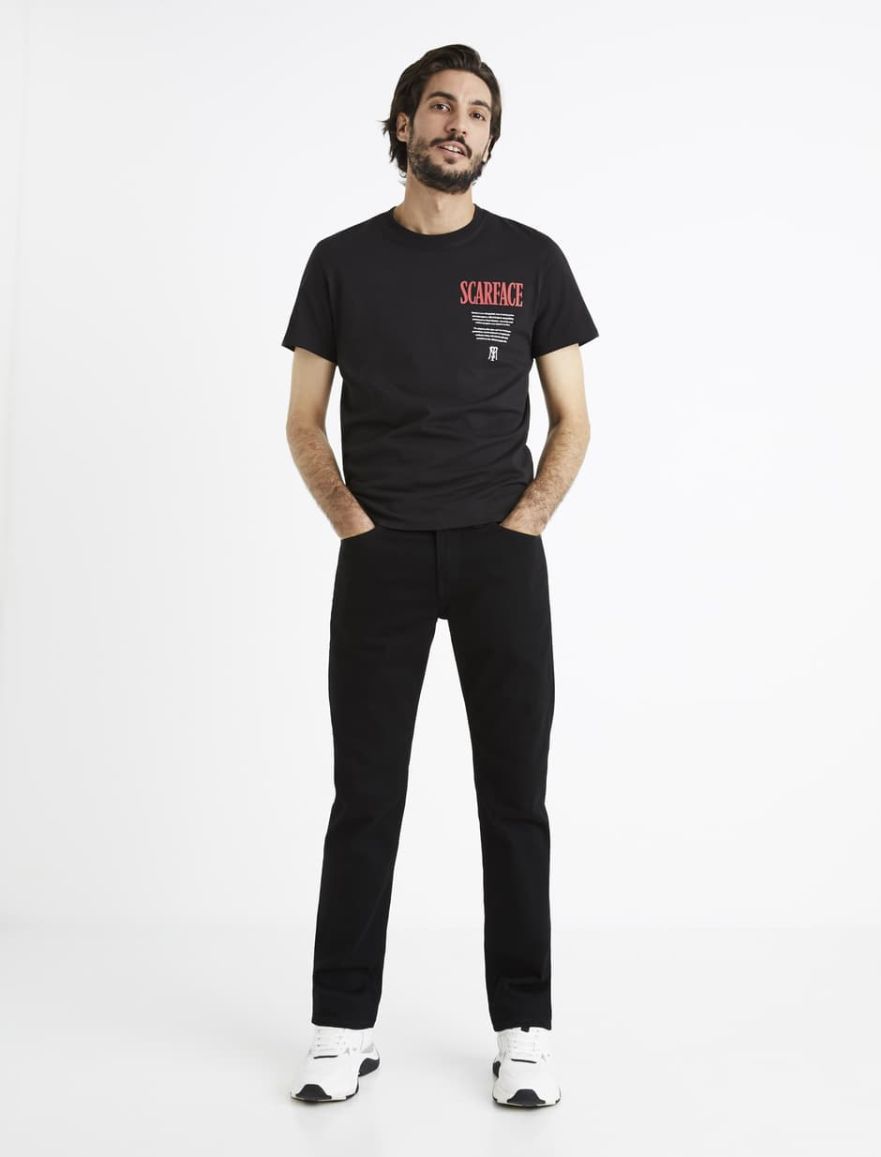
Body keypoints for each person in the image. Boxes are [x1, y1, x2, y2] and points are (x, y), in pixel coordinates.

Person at [282, 43, 598, 1108]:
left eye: (478, 113)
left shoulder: (533, 259)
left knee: (514, 795)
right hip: (382, 553)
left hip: (499, 552)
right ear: (404, 124)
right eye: (441, 106)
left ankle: (524, 1028)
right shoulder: (340, 262)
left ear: (491, 139)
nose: (459, 124)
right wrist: (353, 523)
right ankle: (340, 1027)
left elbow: (573, 418)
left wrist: (523, 523)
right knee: (366, 793)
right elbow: (303, 419)